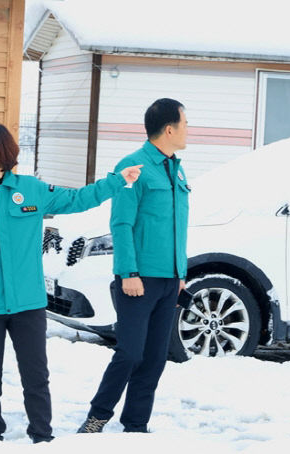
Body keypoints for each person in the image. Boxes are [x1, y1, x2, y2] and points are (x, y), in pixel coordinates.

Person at [0, 123, 142, 443]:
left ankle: (42, 437)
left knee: (36, 376)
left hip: (28, 303)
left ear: (2, 152)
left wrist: (116, 182)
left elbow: (79, 199)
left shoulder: (31, 190)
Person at [79, 98, 190, 434]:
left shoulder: (176, 168)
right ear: (169, 129)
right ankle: (96, 419)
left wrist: (180, 273)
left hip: (169, 279)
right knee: (129, 353)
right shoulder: (134, 166)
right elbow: (121, 223)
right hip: (138, 281)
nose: (188, 131)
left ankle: (136, 426)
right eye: (185, 124)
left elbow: (177, 225)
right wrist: (128, 272)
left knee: (155, 358)